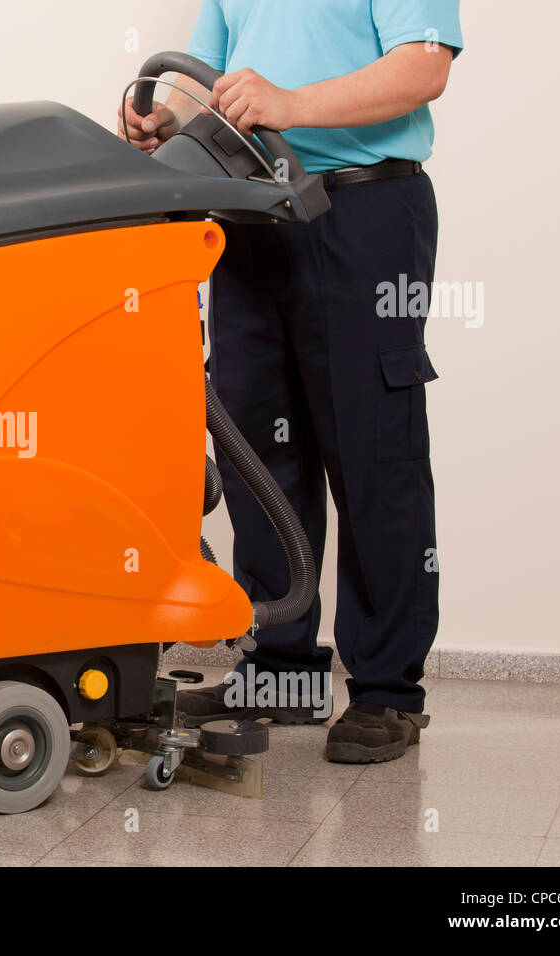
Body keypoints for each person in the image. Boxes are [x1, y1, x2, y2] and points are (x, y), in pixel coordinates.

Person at [120, 0, 462, 763]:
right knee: (257, 451)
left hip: (362, 205)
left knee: (375, 450)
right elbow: (202, 85)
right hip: (249, 214)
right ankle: (282, 673)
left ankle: (385, 692)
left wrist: (289, 104)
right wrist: (164, 122)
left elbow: (423, 67)